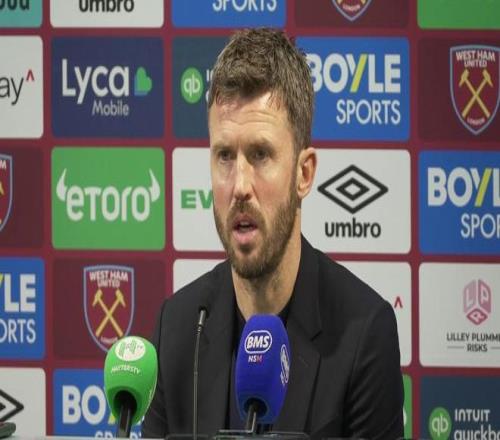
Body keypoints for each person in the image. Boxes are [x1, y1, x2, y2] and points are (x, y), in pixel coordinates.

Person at [142, 28, 404, 440]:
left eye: (260, 154)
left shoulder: (363, 334)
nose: (240, 186)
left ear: (304, 173)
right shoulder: (177, 327)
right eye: (224, 156)